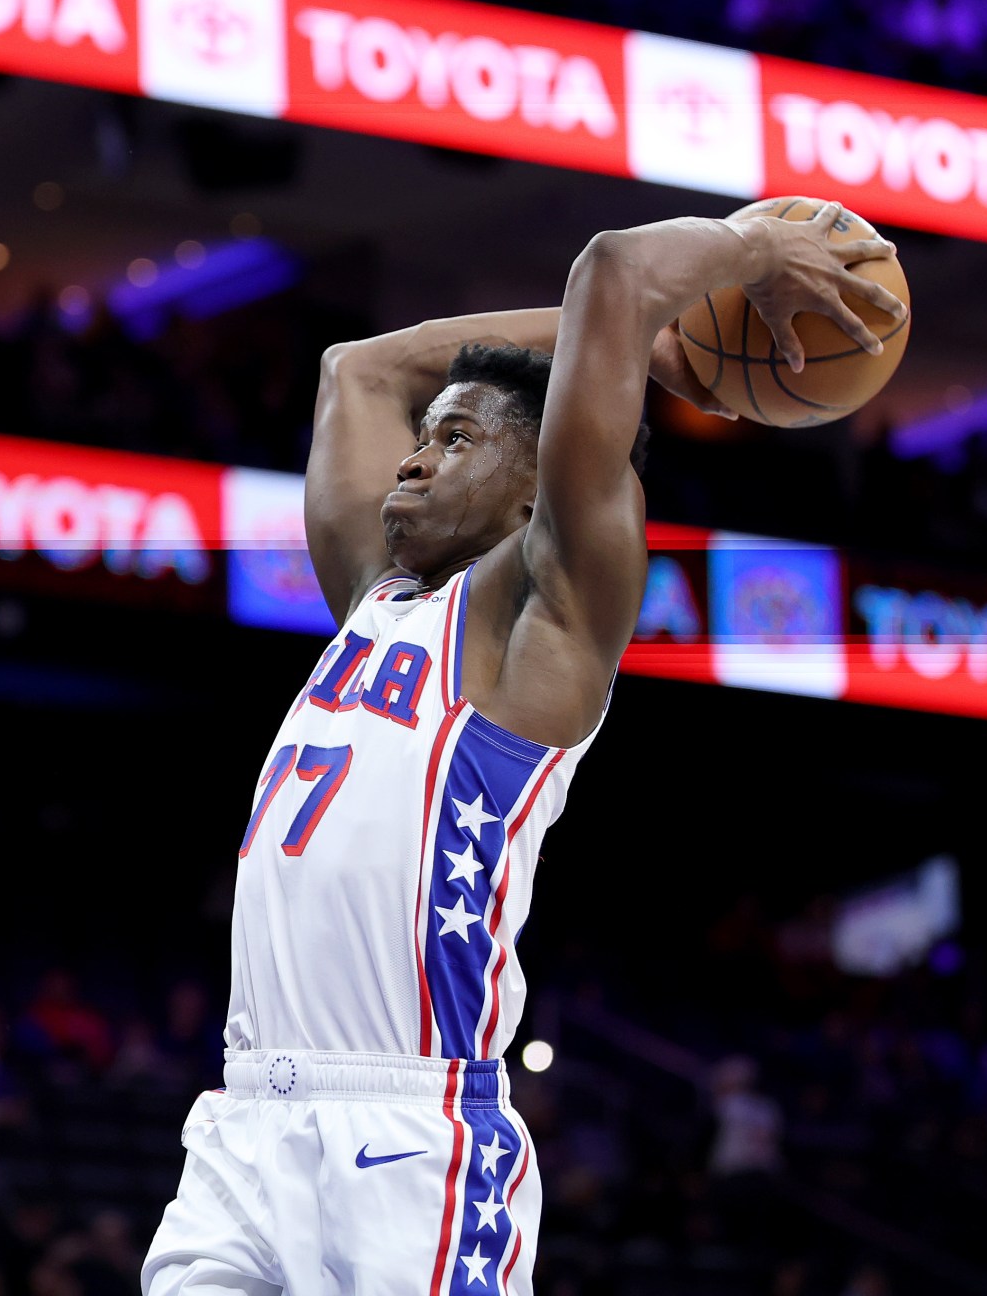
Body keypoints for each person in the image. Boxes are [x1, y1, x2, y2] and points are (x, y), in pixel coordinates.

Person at [143, 203, 899, 1293]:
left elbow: (615, 268)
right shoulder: (376, 598)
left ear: (539, 482)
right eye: (422, 437)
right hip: (242, 1121)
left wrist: (742, 258)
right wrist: (638, 340)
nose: (410, 461)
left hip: (408, 1138)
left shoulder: (540, 617)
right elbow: (360, 367)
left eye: (455, 440)